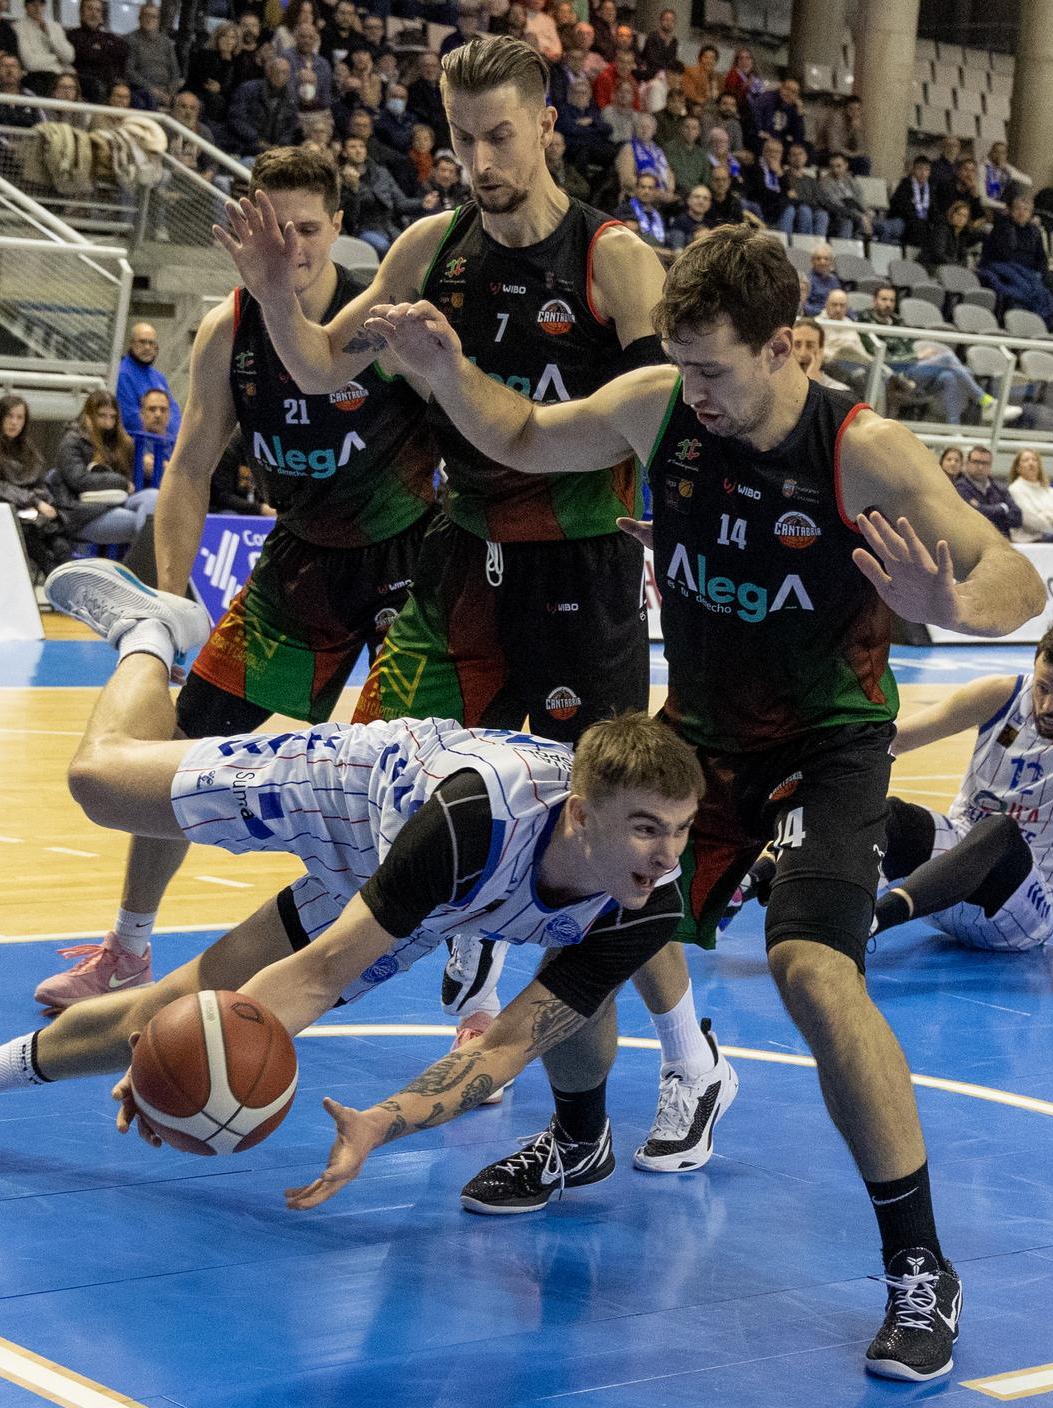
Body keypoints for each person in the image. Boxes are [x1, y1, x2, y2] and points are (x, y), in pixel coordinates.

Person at [368, 222, 1046, 1379]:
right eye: (684, 366)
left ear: (792, 346)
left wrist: (957, 599)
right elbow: (526, 433)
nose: (699, 392)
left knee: (814, 970)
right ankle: (579, 1142)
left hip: (827, 746)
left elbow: (1014, 575)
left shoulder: (863, 448)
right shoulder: (662, 405)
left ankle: (921, 1269)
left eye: (719, 369)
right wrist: (445, 373)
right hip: (700, 743)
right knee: (573, 918)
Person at [212, 41, 705, 1125]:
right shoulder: (433, 248)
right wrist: (271, 294)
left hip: (582, 573)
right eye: (462, 137)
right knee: (402, 801)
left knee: (610, 837)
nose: (479, 160)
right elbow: (320, 367)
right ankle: (469, 966)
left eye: (500, 136)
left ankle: (689, 1053)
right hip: (460, 565)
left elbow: (668, 423)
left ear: (547, 128)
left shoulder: (614, 262)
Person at [0, 562, 702, 1219]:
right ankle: (150, 634)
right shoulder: (474, 821)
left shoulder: (650, 895)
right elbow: (316, 977)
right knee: (97, 784)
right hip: (351, 794)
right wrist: (193, 1049)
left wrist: (377, 1123)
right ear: (583, 816)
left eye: (680, 832)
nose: (666, 857)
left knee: (171, 1013)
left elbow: (504, 1045)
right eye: (644, 831)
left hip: (427, 893)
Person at [33, 147, 441, 1012]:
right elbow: (187, 471)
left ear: (337, 228)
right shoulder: (228, 331)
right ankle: (130, 948)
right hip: (299, 566)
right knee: (180, 749)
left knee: (412, 780)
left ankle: (468, 987)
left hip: (409, 562)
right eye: (272, 226)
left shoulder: (378, 323)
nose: (289, 245)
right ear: (243, 229)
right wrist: (176, 594)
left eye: (306, 227)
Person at [871, 631, 1053, 954]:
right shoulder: (1000, 695)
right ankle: (763, 878)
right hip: (943, 887)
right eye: (1043, 687)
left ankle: (877, 919)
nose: (1048, 705)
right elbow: (894, 740)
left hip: (1022, 912)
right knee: (889, 814)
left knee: (999, 830)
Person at [859, 284, 1019, 428]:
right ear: (874, 301)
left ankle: (953, 432)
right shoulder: (865, 320)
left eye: (891, 300)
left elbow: (909, 349)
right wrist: (916, 356)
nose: (888, 304)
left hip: (913, 372)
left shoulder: (898, 321)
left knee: (949, 376)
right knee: (948, 358)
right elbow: (880, 355)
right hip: (892, 373)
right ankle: (986, 402)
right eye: (884, 299)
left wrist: (915, 357)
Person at [47, 390, 159, 545]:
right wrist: (119, 481)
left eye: (112, 417)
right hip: (83, 512)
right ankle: (145, 565)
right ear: (89, 415)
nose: (108, 423)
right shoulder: (72, 441)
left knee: (154, 497)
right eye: (102, 416)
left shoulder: (120, 443)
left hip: (116, 501)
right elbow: (80, 481)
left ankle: (144, 563)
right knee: (141, 524)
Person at [0, 393, 73, 579]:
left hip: (34, 509)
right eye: (9, 416)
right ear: (0, 417)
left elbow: (40, 483)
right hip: (7, 509)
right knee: (33, 537)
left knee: (61, 538)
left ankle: (69, 582)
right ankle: (53, 576)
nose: (14, 422)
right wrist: (34, 501)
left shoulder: (29, 450)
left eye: (19, 417)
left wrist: (45, 503)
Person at [980, 194, 1053, 326]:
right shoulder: (1002, 227)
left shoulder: (1034, 232)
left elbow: (1041, 258)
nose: (1022, 212)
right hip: (1003, 268)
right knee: (1026, 289)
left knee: (1045, 290)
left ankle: (1043, 324)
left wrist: (1043, 275)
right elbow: (1003, 255)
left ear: (1031, 213)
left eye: (1026, 210)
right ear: (1011, 211)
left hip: (1028, 273)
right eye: (1018, 209)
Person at [116, 322, 181, 445]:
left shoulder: (159, 377)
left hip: (164, 444)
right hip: (137, 446)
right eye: (142, 342)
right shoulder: (122, 375)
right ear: (131, 344)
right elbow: (130, 418)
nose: (147, 347)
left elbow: (174, 412)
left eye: (151, 343)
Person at [228, 56, 299, 158]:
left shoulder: (291, 98)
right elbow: (236, 118)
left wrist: (280, 145)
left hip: (276, 150)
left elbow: (290, 127)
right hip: (246, 147)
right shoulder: (248, 89)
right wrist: (256, 139)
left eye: (285, 73)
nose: (281, 76)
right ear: (269, 72)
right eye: (277, 71)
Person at [954, 444, 1021, 537]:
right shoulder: (959, 487)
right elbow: (974, 517)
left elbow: (1017, 518)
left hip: (1002, 540)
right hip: (974, 540)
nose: (980, 467)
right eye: (976, 462)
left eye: (985, 463)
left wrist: (982, 507)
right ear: (967, 463)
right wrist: (1002, 509)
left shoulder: (1000, 488)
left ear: (990, 465)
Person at [185, 20, 239, 131]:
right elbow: (206, 83)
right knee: (214, 99)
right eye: (224, 36)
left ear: (236, 42)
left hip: (224, 102)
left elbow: (233, 88)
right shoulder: (204, 55)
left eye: (232, 38)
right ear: (217, 38)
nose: (228, 41)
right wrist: (225, 60)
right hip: (198, 94)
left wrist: (221, 89)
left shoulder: (238, 61)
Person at [67, 0, 126, 102]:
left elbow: (123, 52)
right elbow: (87, 55)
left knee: (139, 96)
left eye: (98, 10)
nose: (94, 14)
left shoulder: (109, 37)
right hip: (85, 82)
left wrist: (98, 50)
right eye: (89, 9)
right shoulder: (72, 35)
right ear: (81, 13)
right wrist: (104, 51)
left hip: (110, 82)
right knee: (97, 87)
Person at [126, 3, 179, 109]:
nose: (149, 19)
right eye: (146, 15)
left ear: (158, 20)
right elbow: (129, 71)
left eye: (153, 16)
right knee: (147, 98)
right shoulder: (130, 40)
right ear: (139, 18)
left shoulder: (167, 43)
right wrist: (153, 90)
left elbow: (175, 71)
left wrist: (171, 92)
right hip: (143, 89)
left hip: (167, 91)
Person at [614, 109, 674, 201]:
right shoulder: (628, 149)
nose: (644, 130)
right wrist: (656, 192)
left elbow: (669, 175)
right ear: (635, 129)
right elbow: (627, 180)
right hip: (636, 197)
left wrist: (669, 191)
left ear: (654, 131)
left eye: (648, 127)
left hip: (661, 197)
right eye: (641, 127)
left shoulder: (658, 151)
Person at [14, 0, 74, 86]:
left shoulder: (55, 27)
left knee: (92, 84)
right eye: (33, 4)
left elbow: (69, 57)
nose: (38, 8)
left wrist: (50, 36)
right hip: (39, 76)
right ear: (25, 6)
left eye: (41, 4)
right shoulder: (19, 28)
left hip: (62, 75)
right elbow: (30, 63)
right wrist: (57, 59)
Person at [1007, 447, 1053, 541]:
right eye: (1026, 460)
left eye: (1034, 460)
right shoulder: (1015, 489)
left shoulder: (1050, 491)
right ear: (1018, 468)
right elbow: (1030, 521)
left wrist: (1046, 515)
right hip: (1031, 542)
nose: (1031, 463)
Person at [791, 314, 848, 391]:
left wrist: (811, 384)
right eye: (797, 345)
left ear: (821, 350)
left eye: (810, 346)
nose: (802, 353)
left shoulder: (838, 391)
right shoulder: (777, 385)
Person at [814, 95, 869, 175]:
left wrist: (856, 130)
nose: (855, 112)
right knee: (861, 162)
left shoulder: (857, 122)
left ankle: (857, 186)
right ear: (845, 109)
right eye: (851, 109)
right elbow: (834, 147)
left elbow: (861, 149)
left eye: (858, 109)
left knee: (865, 160)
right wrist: (853, 155)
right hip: (825, 152)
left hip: (844, 154)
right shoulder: (836, 119)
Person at [887, 155, 933, 250]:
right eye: (919, 169)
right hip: (904, 220)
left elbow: (933, 211)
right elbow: (902, 208)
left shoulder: (930, 190)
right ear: (913, 170)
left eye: (926, 170)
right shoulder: (905, 185)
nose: (923, 173)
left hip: (920, 223)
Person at [919, 198, 975, 271]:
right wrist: (957, 265)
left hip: (949, 268)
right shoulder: (942, 229)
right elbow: (938, 255)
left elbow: (963, 257)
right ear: (952, 214)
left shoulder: (962, 235)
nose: (961, 218)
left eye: (964, 216)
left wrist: (959, 265)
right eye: (959, 214)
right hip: (931, 267)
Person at [663, 112, 709, 197]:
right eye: (686, 127)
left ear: (699, 132)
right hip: (678, 193)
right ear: (680, 128)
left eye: (694, 128)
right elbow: (677, 175)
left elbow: (706, 179)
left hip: (698, 195)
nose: (690, 131)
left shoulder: (702, 154)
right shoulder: (670, 148)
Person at [638, 6, 677, 80]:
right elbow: (651, 59)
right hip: (651, 72)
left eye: (672, 21)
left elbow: (672, 60)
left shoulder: (674, 41)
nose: (669, 23)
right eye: (666, 20)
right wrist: (665, 70)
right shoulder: (653, 36)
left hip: (666, 74)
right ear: (661, 21)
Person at [668, 183, 710, 249]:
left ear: (709, 204)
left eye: (705, 198)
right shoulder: (679, 222)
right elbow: (677, 251)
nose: (701, 201)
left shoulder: (710, 223)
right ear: (689, 200)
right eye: (697, 197)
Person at [802, 242, 841, 316]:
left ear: (831, 262)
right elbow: (803, 305)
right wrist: (823, 313)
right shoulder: (806, 280)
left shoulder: (834, 281)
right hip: (815, 318)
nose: (822, 262)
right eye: (818, 258)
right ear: (812, 261)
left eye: (826, 259)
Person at [679, 43, 718, 109]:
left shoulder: (714, 76)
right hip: (691, 108)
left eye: (712, 58)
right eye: (706, 57)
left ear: (715, 61)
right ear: (700, 59)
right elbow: (691, 96)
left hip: (708, 109)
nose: (709, 61)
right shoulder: (690, 72)